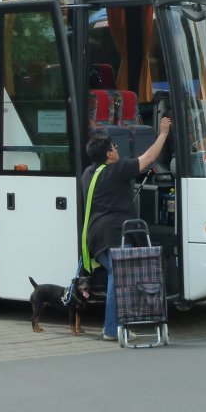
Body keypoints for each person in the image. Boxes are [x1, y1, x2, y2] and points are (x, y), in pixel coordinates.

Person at [82, 115, 172, 341]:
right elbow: (149, 157)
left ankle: (117, 325)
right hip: (114, 235)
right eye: (114, 147)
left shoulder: (89, 173)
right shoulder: (116, 170)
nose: (117, 149)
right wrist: (163, 133)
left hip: (96, 236)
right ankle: (112, 329)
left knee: (118, 275)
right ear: (108, 154)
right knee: (119, 276)